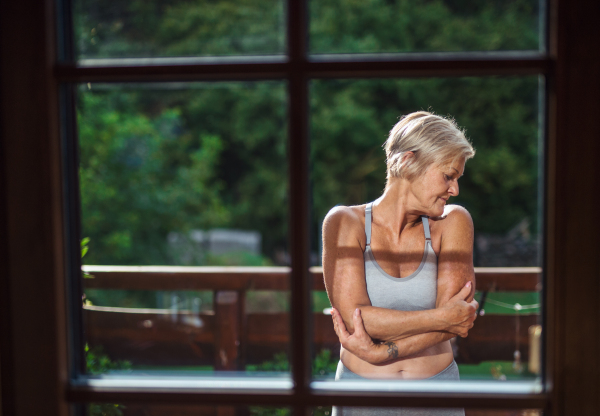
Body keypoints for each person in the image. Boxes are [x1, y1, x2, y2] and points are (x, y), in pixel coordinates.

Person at [322, 111, 479, 416]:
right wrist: (441, 317)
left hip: (436, 395)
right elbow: (357, 321)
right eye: (448, 176)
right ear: (408, 162)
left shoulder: (454, 222)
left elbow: (456, 322)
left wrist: (382, 352)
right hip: (360, 398)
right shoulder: (344, 222)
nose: (455, 189)